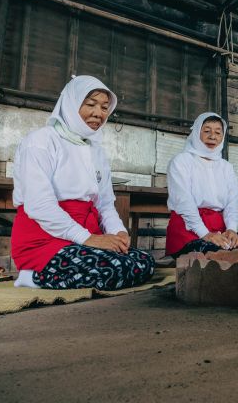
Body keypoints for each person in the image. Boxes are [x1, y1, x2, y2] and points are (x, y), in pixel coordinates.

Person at [11, 75, 155, 290]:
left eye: (105, 107)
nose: (99, 113)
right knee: (114, 269)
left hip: (86, 236)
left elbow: (105, 204)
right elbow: (39, 205)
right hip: (45, 239)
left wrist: (118, 233)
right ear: (71, 103)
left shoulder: (96, 151)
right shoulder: (41, 141)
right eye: (90, 104)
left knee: (143, 261)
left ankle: (53, 274)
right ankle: (32, 276)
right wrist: (87, 238)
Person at [166, 112, 238, 258]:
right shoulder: (181, 161)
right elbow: (184, 201)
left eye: (218, 132)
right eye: (207, 131)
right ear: (196, 133)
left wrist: (232, 229)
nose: (212, 136)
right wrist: (204, 233)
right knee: (210, 258)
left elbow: (233, 201)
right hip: (188, 227)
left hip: (219, 228)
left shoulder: (226, 167)